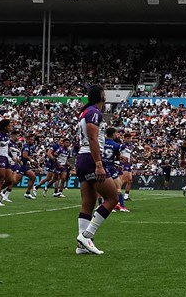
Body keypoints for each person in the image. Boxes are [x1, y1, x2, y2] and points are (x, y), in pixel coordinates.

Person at [73, 87, 120, 255]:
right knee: (112, 197)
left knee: (88, 202)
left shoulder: (86, 112)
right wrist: (99, 164)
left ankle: (81, 246)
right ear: (101, 96)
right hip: (90, 159)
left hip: (83, 158)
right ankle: (87, 235)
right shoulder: (94, 112)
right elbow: (92, 139)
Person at [102, 127, 132, 212]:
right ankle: (121, 206)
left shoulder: (102, 142)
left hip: (103, 166)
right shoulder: (116, 145)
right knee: (118, 187)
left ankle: (104, 205)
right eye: (116, 133)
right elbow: (118, 157)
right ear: (113, 134)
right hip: (111, 167)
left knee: (103, 188)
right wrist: (120, 158)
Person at [0, 120, 18, 206]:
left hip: (6, 159)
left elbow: (7, 149)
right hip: (0, 159)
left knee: (10, 181)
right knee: (0, 180)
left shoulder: (6, 137)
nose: (10, 128)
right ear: (5, 127)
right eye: (9, 126)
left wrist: (12, 157)